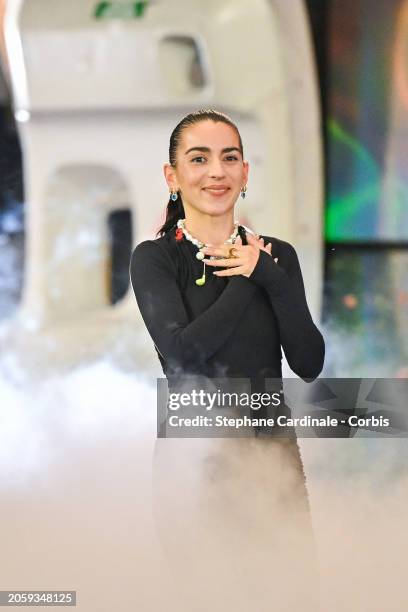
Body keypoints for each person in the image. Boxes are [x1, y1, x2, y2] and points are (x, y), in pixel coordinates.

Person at [129, 109, 325, 611]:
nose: (216, 171)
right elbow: (184, 358)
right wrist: (244, 279)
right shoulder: (155, 259)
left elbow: (308, 362)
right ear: (173, 177)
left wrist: (270, 274)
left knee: (292, 597)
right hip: (196, 459)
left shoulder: (276, 256)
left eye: (229, 158)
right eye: (199, 158)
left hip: (273, 457)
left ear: (245, 174)